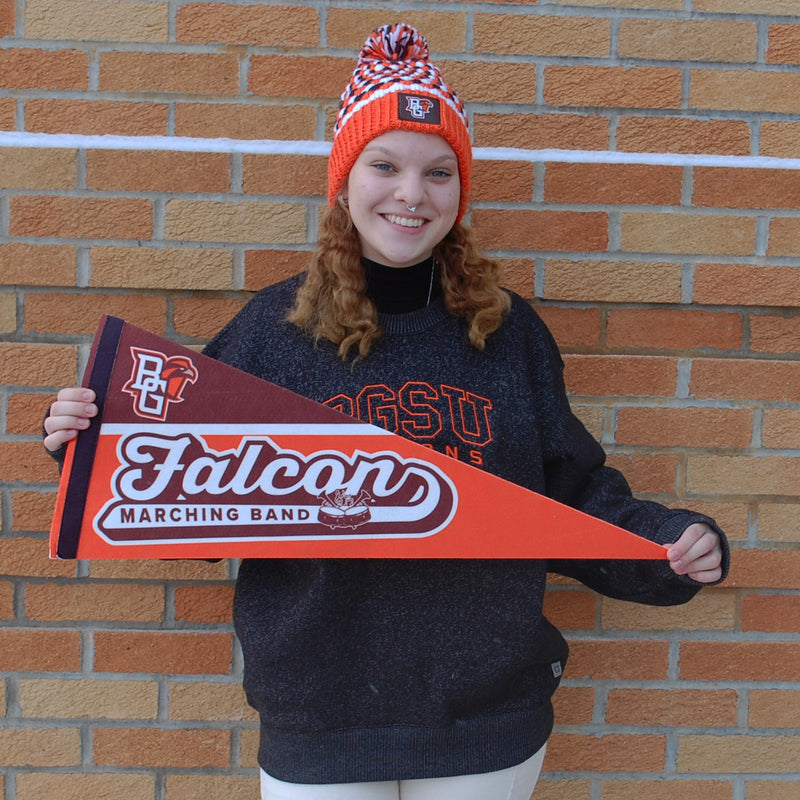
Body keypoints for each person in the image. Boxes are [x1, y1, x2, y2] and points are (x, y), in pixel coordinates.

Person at [44, 23, 728, 800]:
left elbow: (570, 496)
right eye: (385, 165)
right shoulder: (273, 333)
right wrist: (88, 446)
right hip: (320, 714)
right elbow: (185, 494)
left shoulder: (507, 333)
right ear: (344, 180)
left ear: (460, 192)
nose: (412, 194)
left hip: (483, 719)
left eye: (440, 172)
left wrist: (668, 544)